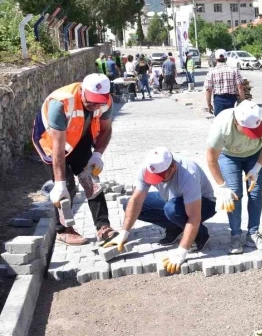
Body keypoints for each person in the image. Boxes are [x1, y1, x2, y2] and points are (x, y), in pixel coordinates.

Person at [30, 73, 119, 245]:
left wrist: (97, 154)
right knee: (67, 185)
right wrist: (60, 184)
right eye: (90, 100)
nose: (94, 105)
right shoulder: (61, 102)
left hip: (79, 136)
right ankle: (63, 230)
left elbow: (106, 129)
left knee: (91, 180)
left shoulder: (105, 102)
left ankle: (103, 227)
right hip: (50, 141)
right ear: (82, 91)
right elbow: (58, 147)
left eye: (98, 101)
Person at [104, 147, 215, 274]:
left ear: (173, 167)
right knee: (128, 205)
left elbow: (194, 217)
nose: (158, 180)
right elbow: (136, 201)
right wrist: (124, 233)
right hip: (171, 198)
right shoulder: (147, 168)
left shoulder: (189, 174)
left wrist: (181, 252)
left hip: (204, 203)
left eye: (161, 176)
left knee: (172, 209)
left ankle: (201, 235)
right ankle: (177, 227)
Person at [206, 101, 262, 253]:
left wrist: (257, 168)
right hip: (229, 156)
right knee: (234, 194)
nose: (251, 135)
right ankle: (236, 235)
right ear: (236, 122)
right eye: (248, 131)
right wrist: (222, 186)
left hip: (255, 154)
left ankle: (253, 233)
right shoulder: (222, 126)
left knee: (256, 193)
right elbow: (211, 159)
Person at [204, 49, 246, 116]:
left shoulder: (211, 72)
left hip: (218, 100)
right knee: (232, 121)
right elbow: (240, 87)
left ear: (215, 59)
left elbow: (208, 90)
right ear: (226, 58)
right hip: (231, 100)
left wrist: (209, 104)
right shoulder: (234, 70)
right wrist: (243, 102)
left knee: (219, 122)